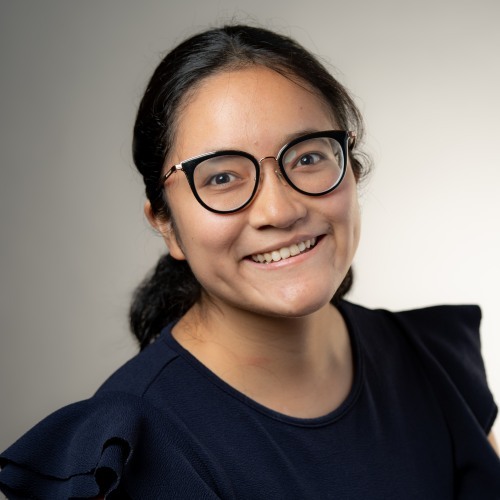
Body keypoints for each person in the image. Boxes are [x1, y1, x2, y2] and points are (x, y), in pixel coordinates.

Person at [0, 24, 499, 499]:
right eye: (222, 178)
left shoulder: (432, 364)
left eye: (306, 157)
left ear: (352, 168)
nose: (280, 210)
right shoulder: (135, 454)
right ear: (166, 222)